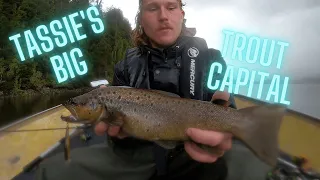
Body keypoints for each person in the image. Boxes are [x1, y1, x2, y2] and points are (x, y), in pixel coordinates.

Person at [35, 0, 273, 180]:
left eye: (171, 7)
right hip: (136, 158)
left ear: (182, 14)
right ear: (141, 18)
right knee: (51, 170)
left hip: (196, 155)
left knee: (255, 167)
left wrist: (227, 117)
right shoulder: (124, 67)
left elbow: (223, 104)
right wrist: (119, 137)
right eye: (152, 8)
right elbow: (116, 133)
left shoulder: (211, 59)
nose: (163, 16)